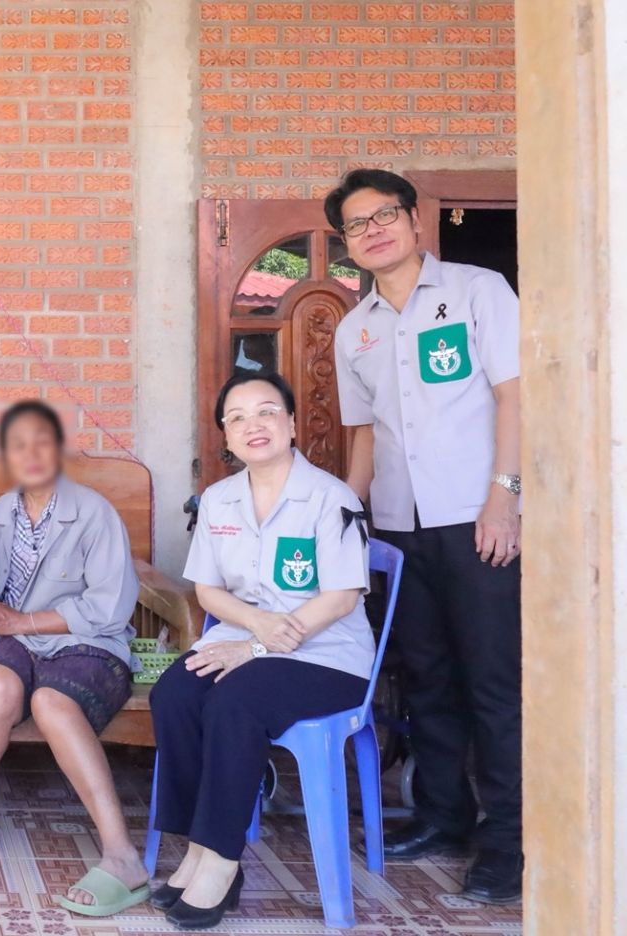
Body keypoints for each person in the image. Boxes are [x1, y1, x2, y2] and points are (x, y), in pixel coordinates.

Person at [327, 168, 523, 904]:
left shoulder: (477, 291)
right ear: (348, 245)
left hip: (477, 522)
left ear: (414, 221)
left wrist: (504, 497)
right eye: (357, 225)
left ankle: (508, 841)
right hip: (399, 527)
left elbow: (515, 398)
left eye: (385, 215)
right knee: (427, 678)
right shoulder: (355, 328)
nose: (373, 230)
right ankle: (445, 816)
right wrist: (349, 517)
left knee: (492, 683)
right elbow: (363, 436)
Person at [149, 372, 375, 930]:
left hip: (325, 655)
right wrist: (253, 629)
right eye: (238, 417)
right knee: (175, 694)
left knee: (236, 702)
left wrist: (256, 646)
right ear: (226, 436)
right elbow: (208, 591)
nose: (254, 425)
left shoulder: (330, 497)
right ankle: (197, 846)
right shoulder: (219, 500)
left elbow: (341, 599)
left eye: (268, 411)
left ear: (293, 424)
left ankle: (222, 859)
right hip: (242, 640)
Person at [0, 401, 148, 918]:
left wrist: (20, 622)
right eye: (18, 445)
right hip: (18, 639)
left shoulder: (94, 512)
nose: (30, 454)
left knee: (53, 702)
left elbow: (109, 608)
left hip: (86, 640)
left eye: (41, 442)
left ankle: (123, 858)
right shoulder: (0, 512)